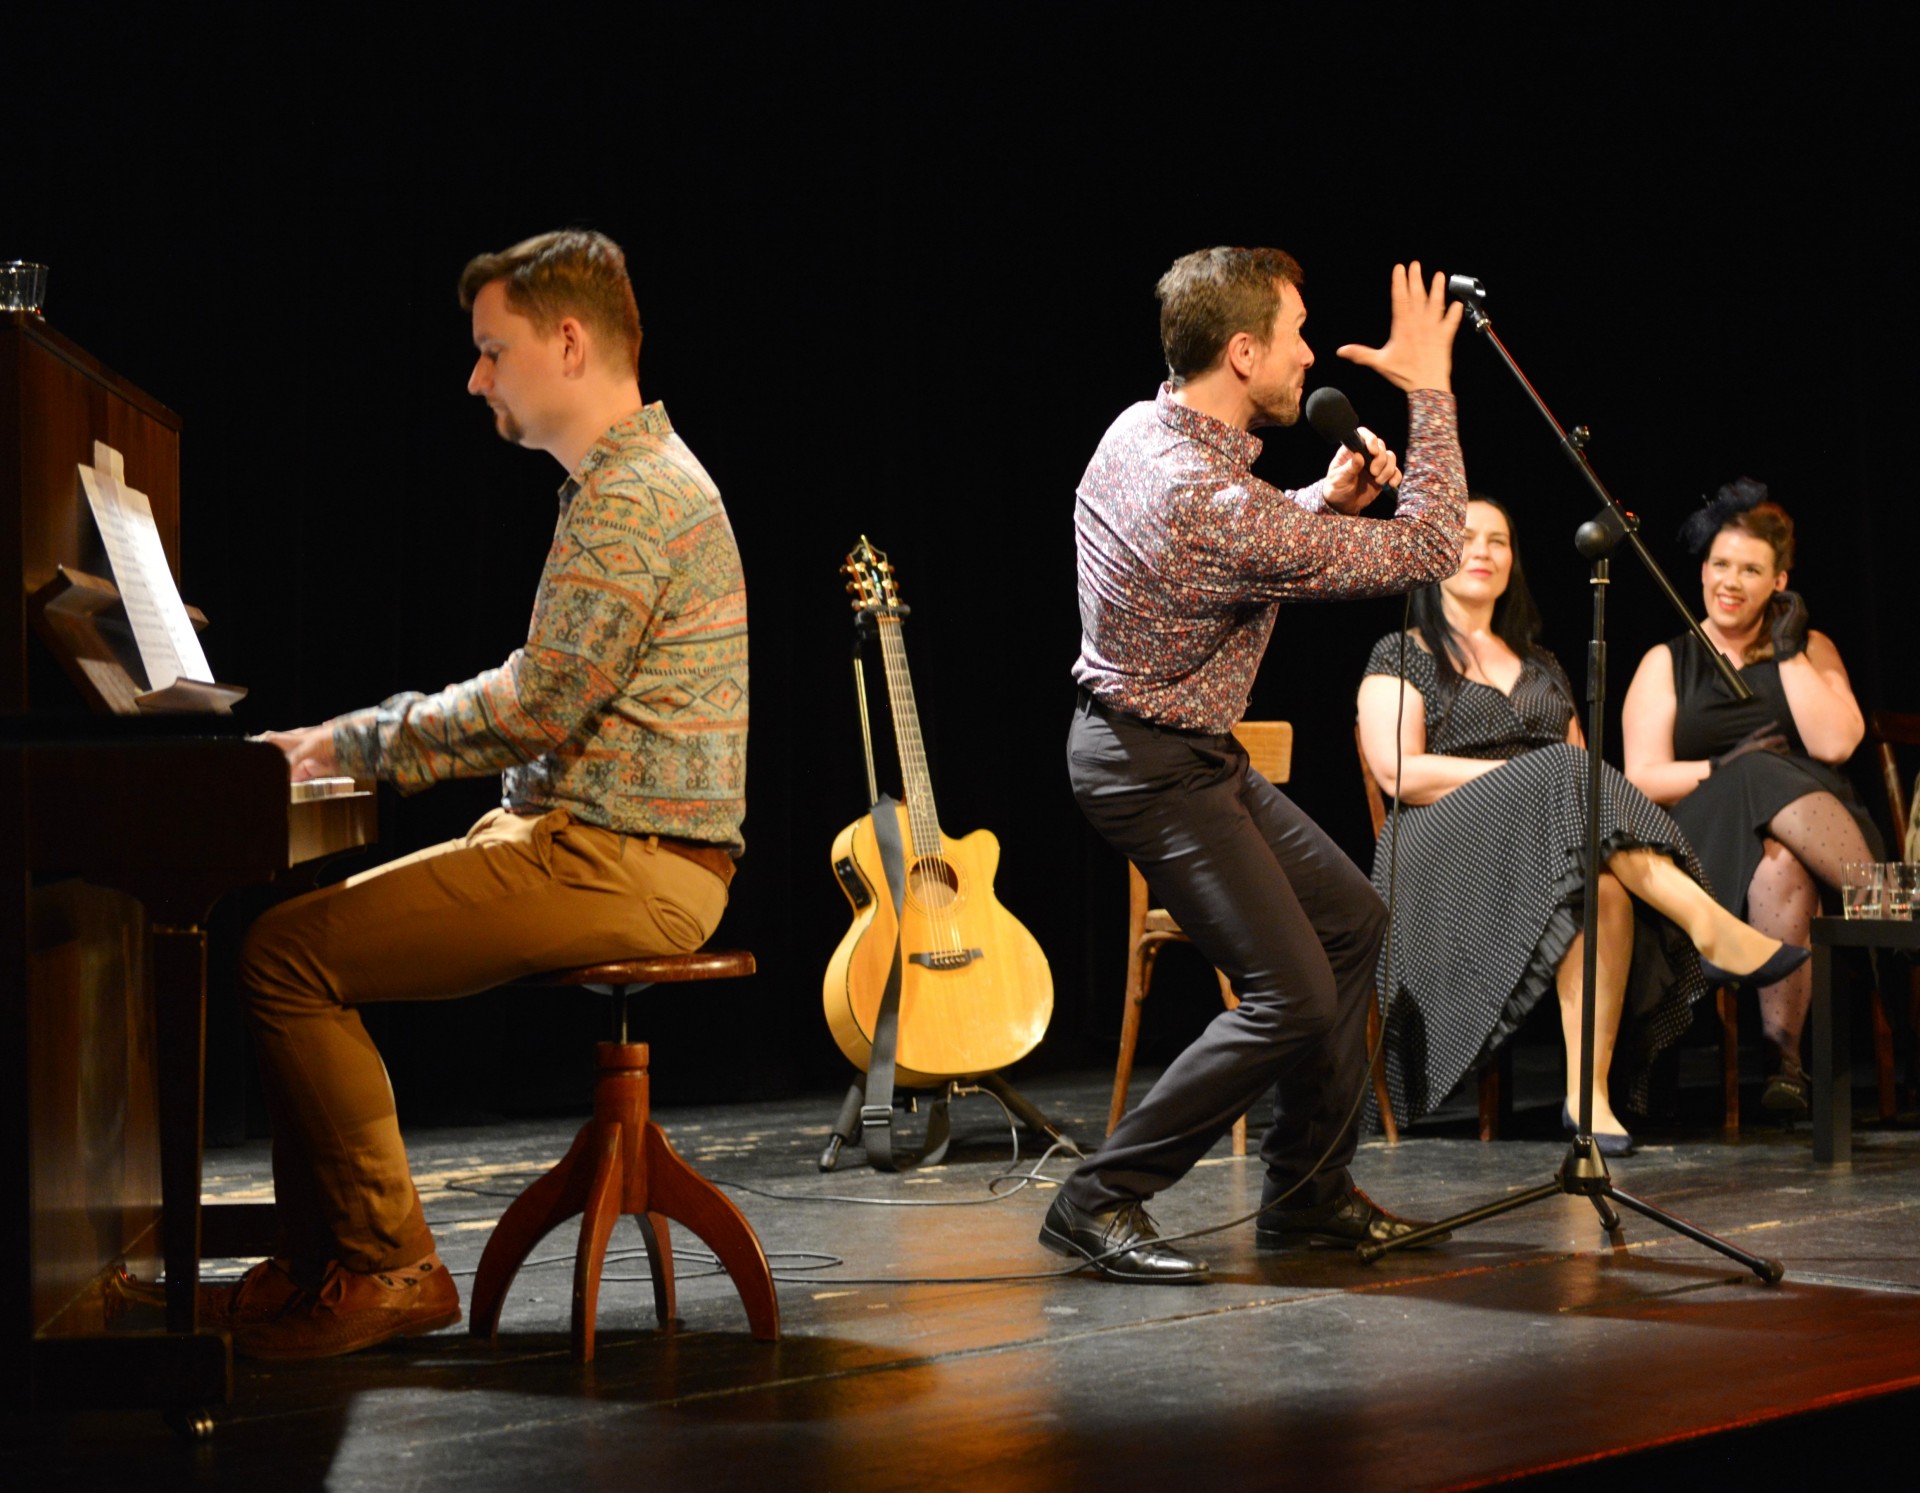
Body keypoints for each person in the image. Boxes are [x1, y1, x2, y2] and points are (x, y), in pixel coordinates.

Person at [219, 230, 748, 1358]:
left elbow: (535, 704)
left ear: (569, 344)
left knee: (283, 958)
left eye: (492, 350)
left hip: (626, 862)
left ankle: (386, 1264)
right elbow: (543, 699)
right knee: (292, 941)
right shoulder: (626, 484)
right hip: (597, 843)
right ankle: (321, 1260)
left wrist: (344, 742)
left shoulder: (633, 497)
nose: (475, 379)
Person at [1041, 248, 1466, 1284]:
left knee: (1351, 922)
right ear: (1242, 352)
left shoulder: (1140, 429)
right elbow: (1432, 550)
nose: (1309, 354)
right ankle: (1098, 1197)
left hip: (1178, 750)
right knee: (1291, 993)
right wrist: (1432, 392)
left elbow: (1232, 547)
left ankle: (1309, 1194)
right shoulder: (1206, 497)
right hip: (1152, 764)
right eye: (1296, 335)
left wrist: (1319, 501)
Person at [1355, 496, 1806, 1152]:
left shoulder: (1541, 664)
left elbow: (1587, 792)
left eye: (1498, 541)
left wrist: (1546, 779)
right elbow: (1399, 772)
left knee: (1606, 887)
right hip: (1440, 850)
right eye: (1466, 536)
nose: (1483, 551)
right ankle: (1707, 922)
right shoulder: (1401, 652)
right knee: (1564, 767)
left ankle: (1586, 1098)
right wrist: (1526, 776)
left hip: (1543, 846)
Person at [1622, 480, 1877, 1115]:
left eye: (1751, 570)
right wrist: (1721, 769)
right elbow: (1642, 776)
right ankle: (1884, 901)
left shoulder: (1810, 649)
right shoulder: (1667, 661)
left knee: (1782, 862)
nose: (1730, 582)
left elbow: (1837, 744)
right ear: (1703, 569)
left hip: (1813, 840)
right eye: (1720, 564)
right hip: (1707, 842)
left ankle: (1784, 1064)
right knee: (1755, 769)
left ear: (1779, 582)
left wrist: (1787, 651)